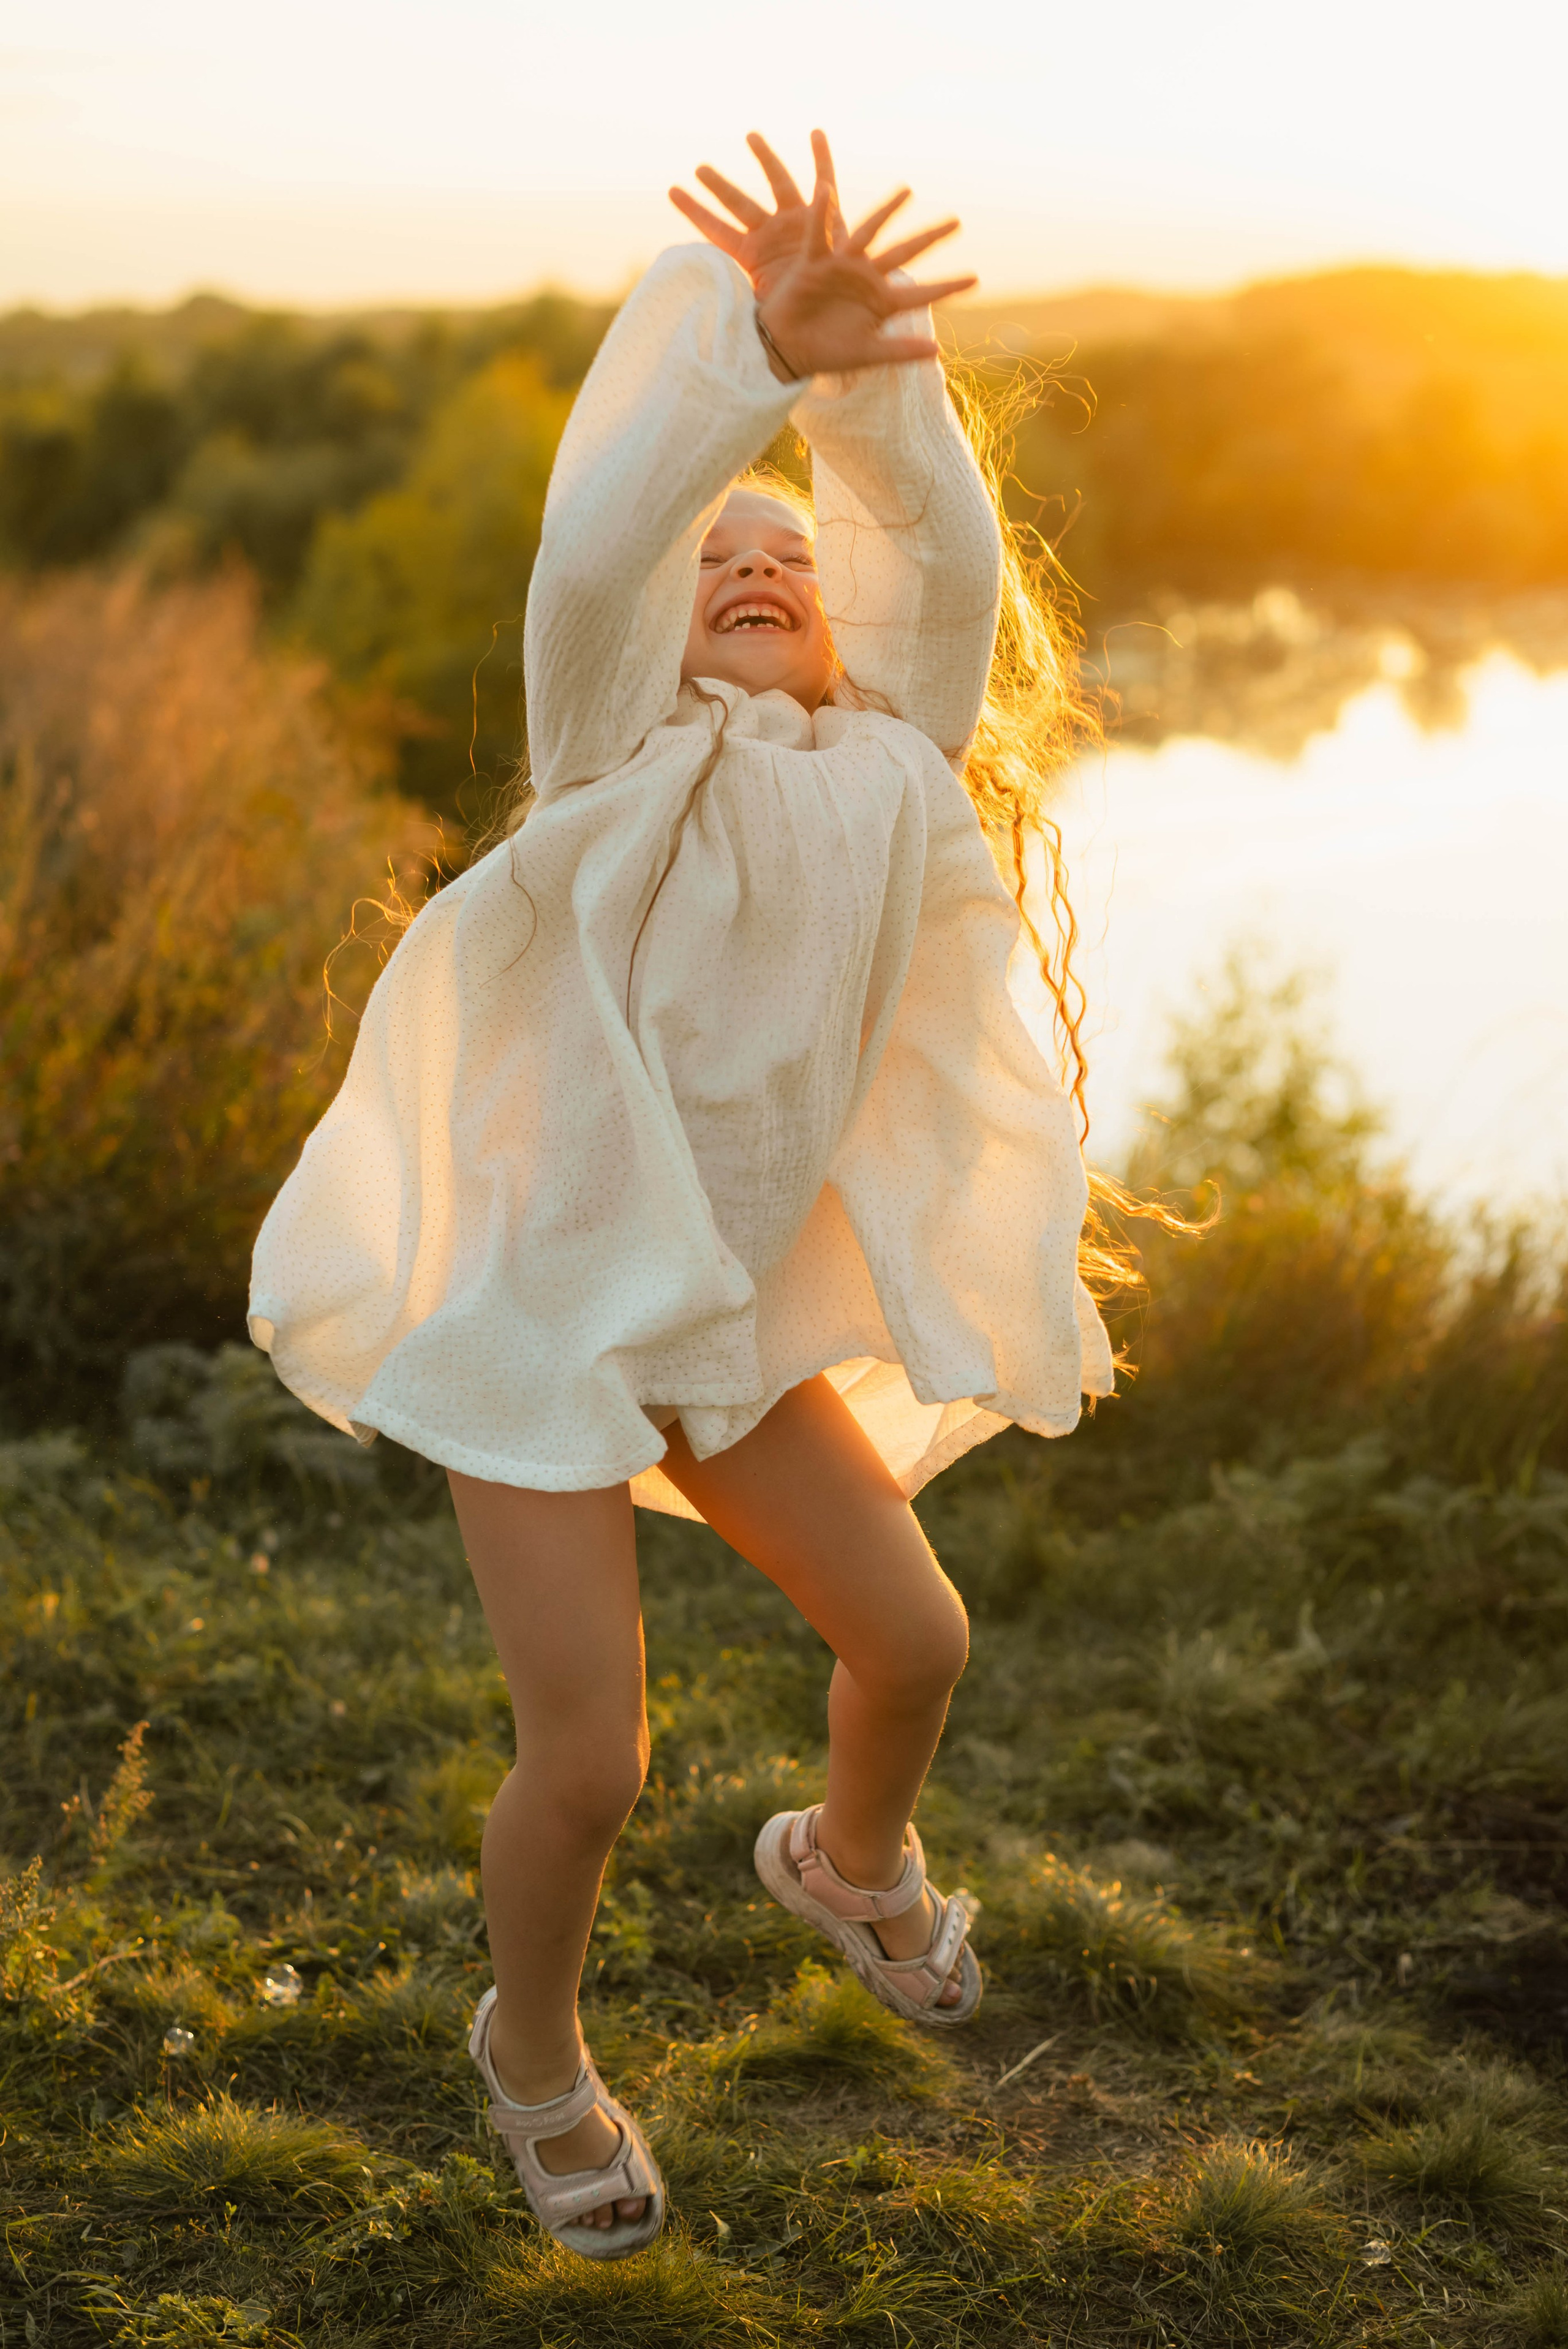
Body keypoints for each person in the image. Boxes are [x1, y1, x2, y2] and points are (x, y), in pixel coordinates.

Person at [248, 130, 1113, 2260]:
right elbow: (597, 544)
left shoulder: (895, 777)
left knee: (917, 1636)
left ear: (849, 632)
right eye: (721, 556)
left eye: (788, 560)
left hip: (715, 1344)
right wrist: (738, 360)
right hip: (544, 1337)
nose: (751, 564)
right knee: (595, 1764)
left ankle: (846, 1859)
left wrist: (863, 394)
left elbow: (935, 552)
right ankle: (531, 2053)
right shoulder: (610, 755)